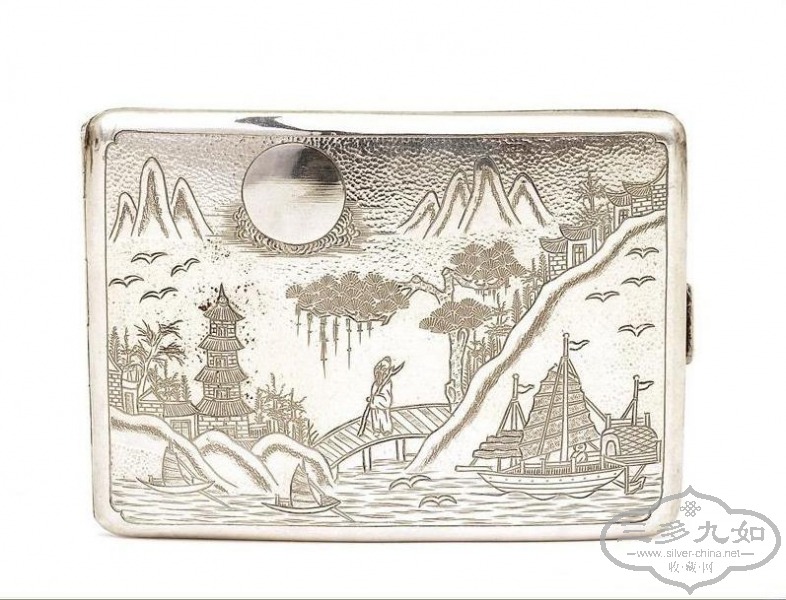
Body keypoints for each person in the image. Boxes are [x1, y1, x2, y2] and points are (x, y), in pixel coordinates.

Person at [365, 356, 404, 436]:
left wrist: (374, 399)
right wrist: (372, 399)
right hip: (375, 407)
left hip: (382, 404)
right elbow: (373, 394)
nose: (380, 372)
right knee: (375, 416)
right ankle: (377, 429)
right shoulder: (375, 384)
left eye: (383, 370)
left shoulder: (387, 383)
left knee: (384, 416)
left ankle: (386, 429)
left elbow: (386, 399)